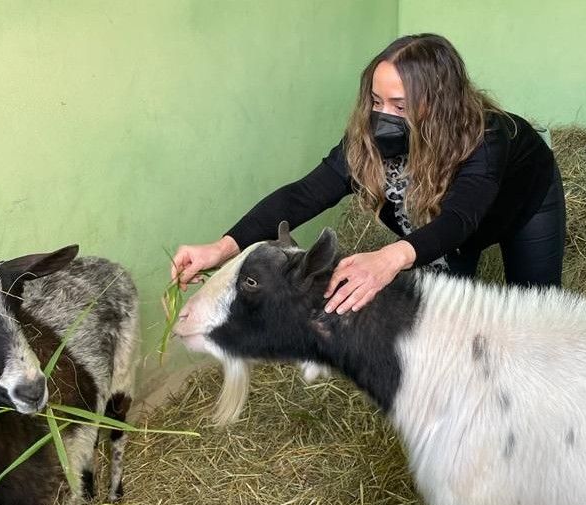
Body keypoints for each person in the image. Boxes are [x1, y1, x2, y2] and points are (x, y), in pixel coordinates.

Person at [171, 33, 565, 315]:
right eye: (376, 101)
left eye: (400, 105)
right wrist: (222, 247)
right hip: (447, 229)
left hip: (522, 204)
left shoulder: (488, 137)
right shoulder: (365, 139)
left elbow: (459, 218)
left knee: (536, 308)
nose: (382, 117)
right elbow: (303, 195)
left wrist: (389, 259)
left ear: (441, 104)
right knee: (448, 307)